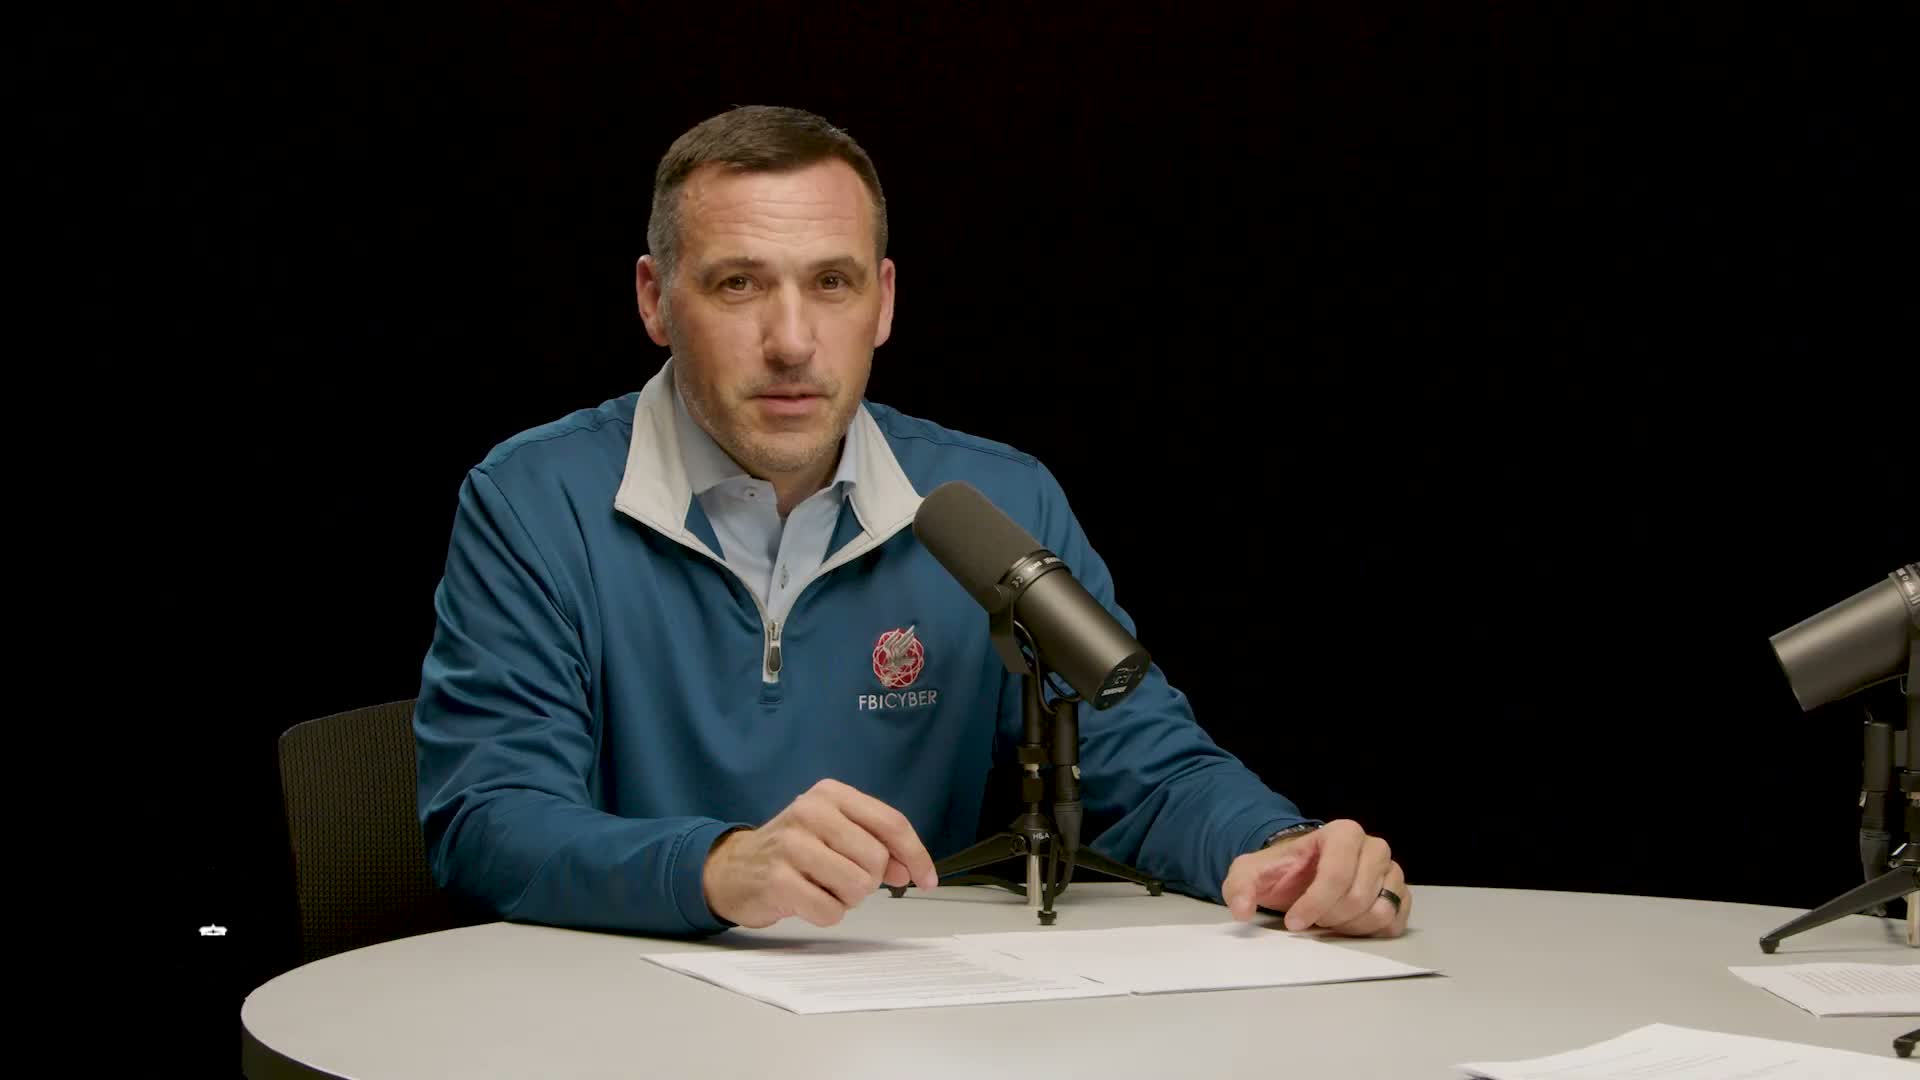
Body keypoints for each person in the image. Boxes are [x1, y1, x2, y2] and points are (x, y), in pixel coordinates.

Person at [414, 104, 1410, 940]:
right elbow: (488, 823)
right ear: (654, 300)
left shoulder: (999, 503)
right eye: (738, 283)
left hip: (902, 1028)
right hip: (618, 1027)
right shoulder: (535, 501)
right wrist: (718, 867)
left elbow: (1146, 772)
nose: (792, 341)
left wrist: (1284, 850)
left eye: (831, 282)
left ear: (883, 302)